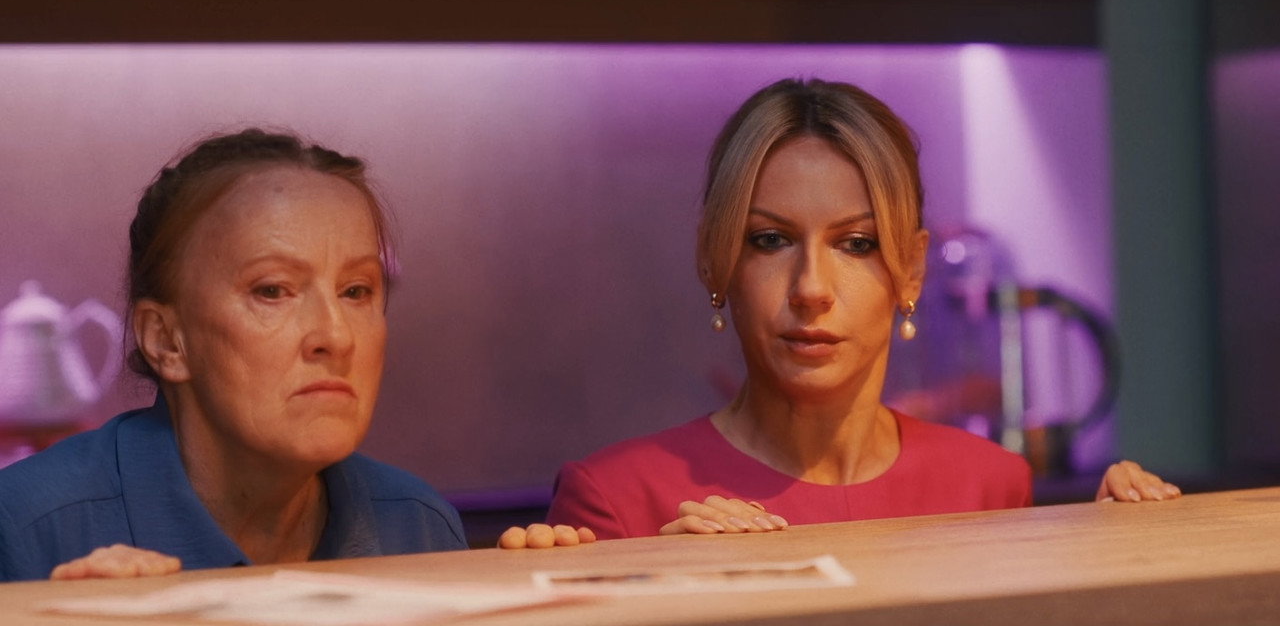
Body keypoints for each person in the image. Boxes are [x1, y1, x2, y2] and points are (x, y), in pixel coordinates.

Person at [545, 78, 1181, 540]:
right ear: (716, 260)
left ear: (911, 270)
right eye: (770, 240)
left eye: (856, 244)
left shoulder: (990, 484)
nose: (811, 288)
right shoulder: (616, 500)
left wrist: (1117, 575)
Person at [0, 130, 590, 582]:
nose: (335, 336)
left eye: (357, 291)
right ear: (166, 341)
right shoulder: (27, 527)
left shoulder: (415, 522)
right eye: (272, 290)